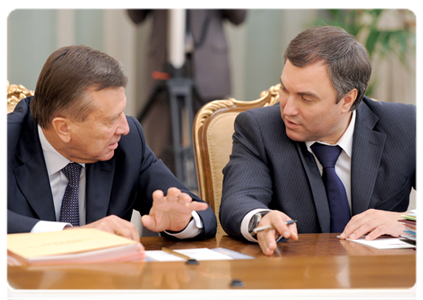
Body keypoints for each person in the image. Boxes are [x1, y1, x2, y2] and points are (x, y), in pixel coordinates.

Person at [219, 26, 420, 256]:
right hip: (296, 277)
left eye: (306, 98)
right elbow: (238, 200)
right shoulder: (259, 129)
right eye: (285, 89)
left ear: (347, 100)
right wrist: (261, 220)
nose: (288, 110)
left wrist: (410, 223)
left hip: (379, 279)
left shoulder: (406, 125)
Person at [5, 45, 217, 244]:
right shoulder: (7, 141)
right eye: (110, 120)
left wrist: (183, 223)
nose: (124, 128)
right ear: (63, 128)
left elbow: (201, 213)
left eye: (122, 112)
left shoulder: (127, 142)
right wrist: (71, 236)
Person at [127, 8, 247, 172]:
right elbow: (136, 16)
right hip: (162, 59)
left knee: (214, 144)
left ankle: (212, 195)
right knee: (160, 145)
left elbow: (238, 17)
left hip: (210, 61)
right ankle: (164, 191)